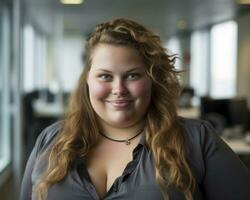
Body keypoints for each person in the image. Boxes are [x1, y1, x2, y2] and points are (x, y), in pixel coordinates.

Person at [20, 18, 250, 200]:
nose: (119, 89)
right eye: (105, 76)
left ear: (151, 80)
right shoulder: (50, 141)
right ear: (87, 80)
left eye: (132, 75)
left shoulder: (196, 140)